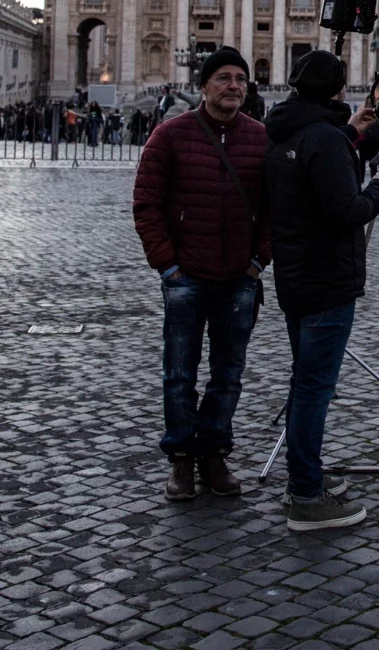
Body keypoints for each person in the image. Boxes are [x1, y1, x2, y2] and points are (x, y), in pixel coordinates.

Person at [264, 50, 379, 530]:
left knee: (305, 382)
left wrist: (349, 134)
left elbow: (312, 165)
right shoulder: (322, 139)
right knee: (315, 389)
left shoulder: (283, 132)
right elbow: (347, 209)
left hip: (295, 276)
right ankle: (304, 495)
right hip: (327, 279)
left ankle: (308, 473)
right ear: (338, 89)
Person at [133, 46, 269, 503]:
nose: (234, 86)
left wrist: (257, 262)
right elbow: (146, 204)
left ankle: (214, 452)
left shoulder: (260, 137)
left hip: (238, 277)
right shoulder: (169, 136)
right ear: (204, 85)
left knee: (228, 374)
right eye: (224, 78)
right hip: (186, 275)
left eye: (240, 80)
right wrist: (167, 266)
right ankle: (181, 460)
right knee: (179, 374)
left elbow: (275, 209)